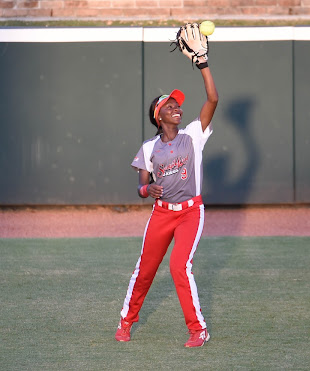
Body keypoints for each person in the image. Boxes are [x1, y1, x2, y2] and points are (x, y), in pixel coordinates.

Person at [114, 46, 218, 348]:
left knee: (178, 266)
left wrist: (203, 65)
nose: (178, 107)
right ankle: (126, 321)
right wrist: (148, 190)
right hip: (161, 214)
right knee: (145, 269)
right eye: (171, 105)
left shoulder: (193, 135)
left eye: (178, 105)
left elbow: (213, 99)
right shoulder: (149, 148)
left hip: (190, 213)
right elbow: (140, 187)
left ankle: (198, 329)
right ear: (158, 116)